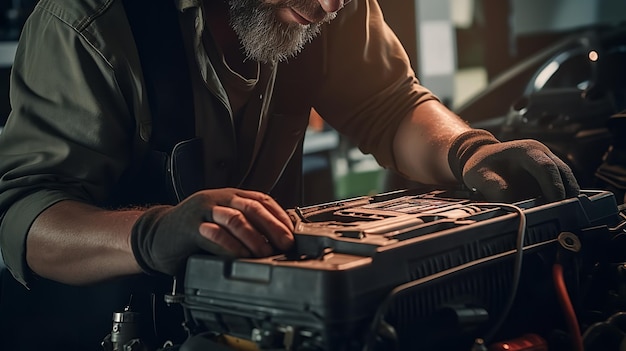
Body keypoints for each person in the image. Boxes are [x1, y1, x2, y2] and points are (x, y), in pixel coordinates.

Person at [0, 0, 579, 350]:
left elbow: (389, 104)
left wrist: (468, 152)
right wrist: (152, 233)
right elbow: (25, 218)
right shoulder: (89, 24)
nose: (331, 8)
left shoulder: (325, 6)